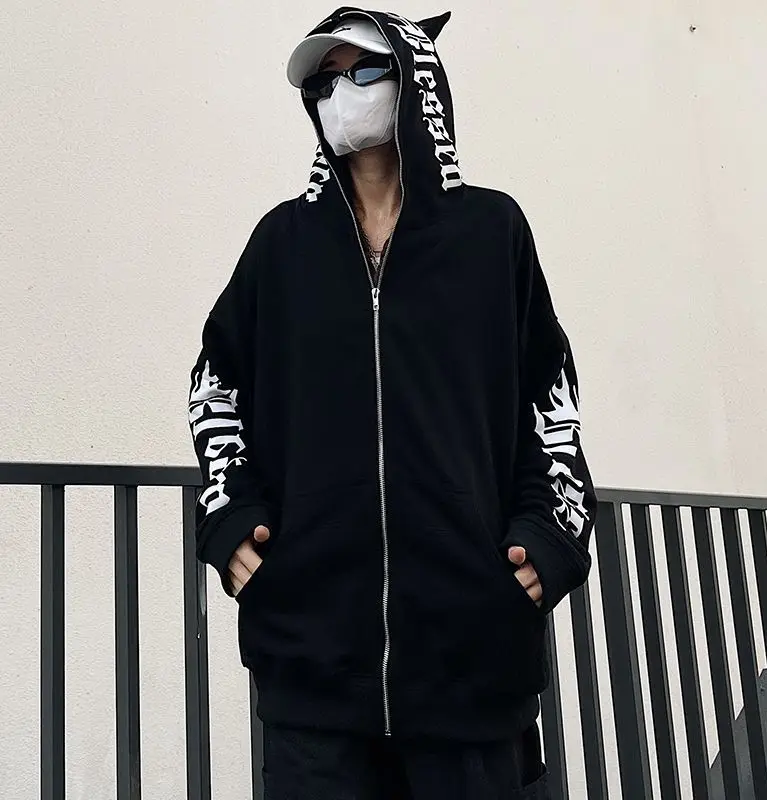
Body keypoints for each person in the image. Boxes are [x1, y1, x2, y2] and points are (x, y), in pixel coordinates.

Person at [187, 7, 597, 798]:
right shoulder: (282, 245)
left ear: (415, 80)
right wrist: (229, 517)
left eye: (364, 71)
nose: (342, 94)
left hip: (470, 665)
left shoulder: (491, 233)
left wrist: (551, 535)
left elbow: (550, 398)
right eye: (324, 82)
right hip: (314, 673)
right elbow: (215, 383)